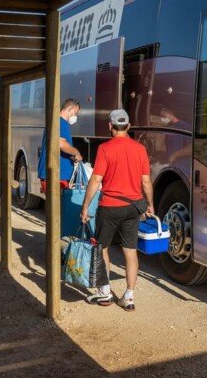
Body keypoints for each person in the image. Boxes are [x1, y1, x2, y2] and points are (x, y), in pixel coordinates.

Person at [80, 109, 154, 310]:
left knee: (102, 248)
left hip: (110, 207)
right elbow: (146, 181)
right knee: (130, 251)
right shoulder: (140, 149)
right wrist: (150, 205)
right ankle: (129, 297)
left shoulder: (104, 148)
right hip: (133, 208)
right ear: (128, 126)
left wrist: (85, 206)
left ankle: (105, 293)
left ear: (110, 127)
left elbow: (96, 179)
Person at [59, 99, 83, 183]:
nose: (75, 117)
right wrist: (76, 153)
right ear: (69, 109)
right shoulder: (62, 123)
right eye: (75, 113)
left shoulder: (57, 122)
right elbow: (61, 144)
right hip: (59, 175)